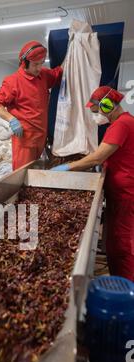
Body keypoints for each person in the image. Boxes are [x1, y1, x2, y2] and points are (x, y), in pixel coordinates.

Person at [52, 86, 134, 282]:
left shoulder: (122, 124)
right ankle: (117, 279)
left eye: (96, 111)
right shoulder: (120, 124)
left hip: (126, 193)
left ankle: (126, 289)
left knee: (122, 244)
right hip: (118, 192)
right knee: (113, 242)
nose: (95, 116)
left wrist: (67, 168)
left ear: (108, 105)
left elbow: (97, 158)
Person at [0, 41, 63, 170]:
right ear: (24, 63)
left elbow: (59, 73)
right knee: (22, 174)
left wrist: (73, 52)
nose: (39, 68)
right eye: (35, 64)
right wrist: (11, 119)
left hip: (41, 137)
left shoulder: (43, 75)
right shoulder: (13, 81)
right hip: (25, 140)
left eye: (41, 63)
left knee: (35, 172)